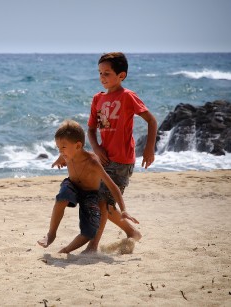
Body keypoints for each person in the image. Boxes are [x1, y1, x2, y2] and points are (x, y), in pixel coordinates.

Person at [54, 52, 157, 253]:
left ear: (121, 76)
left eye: (107, 73)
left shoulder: (128, 96)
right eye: (100, 73)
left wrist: (149, 149)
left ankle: (92, 246)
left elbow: (151, 121)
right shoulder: (97, 99)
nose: (102, 77)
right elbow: (91, 129)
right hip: (103, 159)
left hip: (122, 160)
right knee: (106, 206)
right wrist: (97, 148)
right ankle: (132, 233)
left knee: (103, 202)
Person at [37, 120, 138, 253]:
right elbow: (63, 155)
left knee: (89, 232)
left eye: (63, 147)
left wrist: (124, 210)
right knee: (62, 197)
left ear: (78, 145)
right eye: (58, 148)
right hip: (72, 185)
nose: (61, 151)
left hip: (89, 195)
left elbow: (113, 186)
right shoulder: (67, 154)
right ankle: (51, 234)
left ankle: (66, 250)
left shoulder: (93, 162)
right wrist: (59, 158)